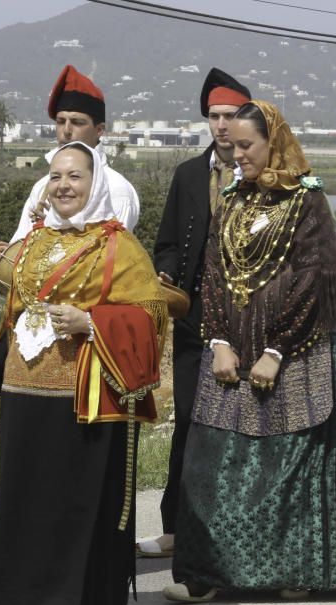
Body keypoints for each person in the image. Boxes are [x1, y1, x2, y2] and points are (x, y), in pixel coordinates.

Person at [163, 100, 336, 603]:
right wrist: (220, 342)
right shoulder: (231, 199)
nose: (238, 155)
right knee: (210, 462)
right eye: (233, 147)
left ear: (274, 143)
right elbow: (212, 272)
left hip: (295, 348)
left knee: (287, 464)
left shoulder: (306, 201)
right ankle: (207, 572)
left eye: (248, 145)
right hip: (231, 348)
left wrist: (276, 350)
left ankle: (290, 569)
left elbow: (312, 279)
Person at [0, 142, 167, 605]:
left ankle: (64, 604)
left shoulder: (119, 247)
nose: (63, 186)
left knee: (69, 499)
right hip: (23, 391)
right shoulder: (33, 243)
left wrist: (91, 321)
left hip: (81, 393)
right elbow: (12, 317)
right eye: (56, 176)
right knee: (24, 495)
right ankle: (18, 598)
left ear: (95, 182)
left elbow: (150, 317)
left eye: (75, 177)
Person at [139, 68, 251, 559]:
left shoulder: (261, 175)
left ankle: (235, 525)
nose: (222, 126)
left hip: (245, 321)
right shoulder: (188, 174)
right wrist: (165, 277)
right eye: (214, 116)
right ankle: (174, 527)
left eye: (230, 116)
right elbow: (166, 244)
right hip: (190, 320)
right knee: (187, 419)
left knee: (239, 423)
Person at [0, 64, 139, 254]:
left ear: (99, 129)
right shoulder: (42, 187)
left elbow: (111, 259)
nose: (67, 131)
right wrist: (10, 255)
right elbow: (21, 247)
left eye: (77, 122)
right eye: (61, 122)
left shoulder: (116, 189)